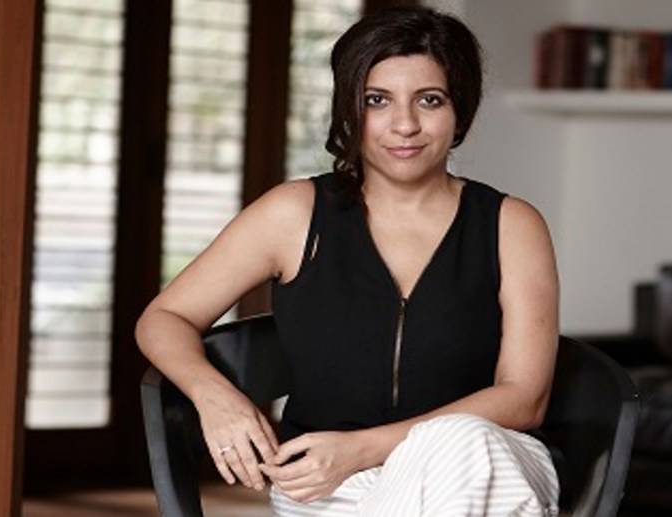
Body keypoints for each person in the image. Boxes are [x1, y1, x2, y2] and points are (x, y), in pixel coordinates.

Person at [136, 6, 560, 516]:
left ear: (459, 111)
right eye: (377, 100)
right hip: (328, 482)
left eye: (429, 99)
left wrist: (361, 448)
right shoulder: (293, 214)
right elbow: (164, 317)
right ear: (349, 110)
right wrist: (215, 397)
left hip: (488, 462)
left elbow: (524, 398)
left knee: (459, 439)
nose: (405, 124)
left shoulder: (511, 225)